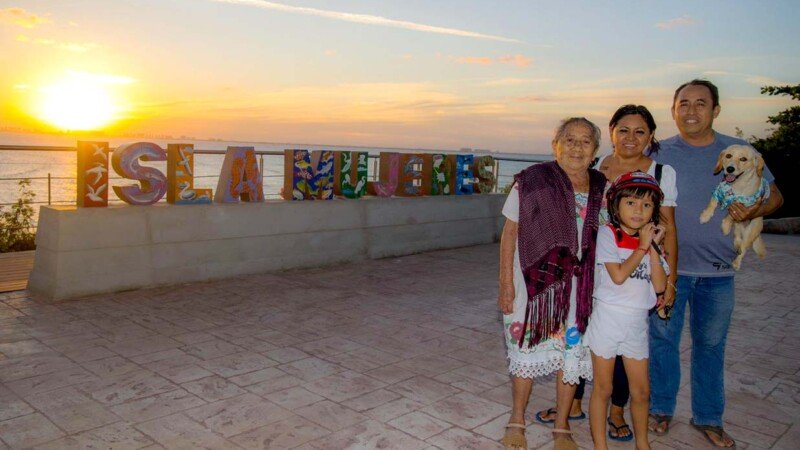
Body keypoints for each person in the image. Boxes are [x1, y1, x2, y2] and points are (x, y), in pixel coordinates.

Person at [649, 79, 784, 448]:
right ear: (673, 109)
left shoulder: (737, 150)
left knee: (710, 346)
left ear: (716, 110)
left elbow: (775, 196)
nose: (691, 111)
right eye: (684, 104)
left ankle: (708, 417)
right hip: (668, 271)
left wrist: (756, 207)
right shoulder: (657, 150)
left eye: (700, 104)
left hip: (718, 273)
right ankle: (659, 409)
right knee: (662, 342)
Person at [536, 104, 679, 442]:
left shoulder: (661, 174)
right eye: (623, 130)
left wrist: (668, 281)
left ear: (651, 137)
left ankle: (617, 412)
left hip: (635, 271)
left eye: (640, 131)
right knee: (586, 340)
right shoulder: (596, 166)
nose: (631, 137)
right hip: (598, 267)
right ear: (611, 132)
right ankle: (572, 404)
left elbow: (668, 228)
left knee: (627, 357)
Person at [498, 117, 606, 450]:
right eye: (569, 139)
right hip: (534, 289)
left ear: (595, 151)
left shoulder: (604, 187)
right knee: (526, 350)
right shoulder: (532, 181)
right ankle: (517, 419)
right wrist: (506, 284)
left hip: (582, 289)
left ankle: (561, 427)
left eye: (585, 141)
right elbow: (509, 234)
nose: (577, 147)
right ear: (555, 145)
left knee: (572, 353)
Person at [585, 171, 669, 450]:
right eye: (631, 203)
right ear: (616, 205)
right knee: (604, 388)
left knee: (642, 391)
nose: (638, 210)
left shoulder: (652, 244)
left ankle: (643, 444)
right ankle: (600, 445)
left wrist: (654, 249)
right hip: (608, 319)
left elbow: (659, 286)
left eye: (647, 205)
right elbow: (619, 276)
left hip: (636, 324)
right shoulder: (609, 235)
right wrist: (643, 246)